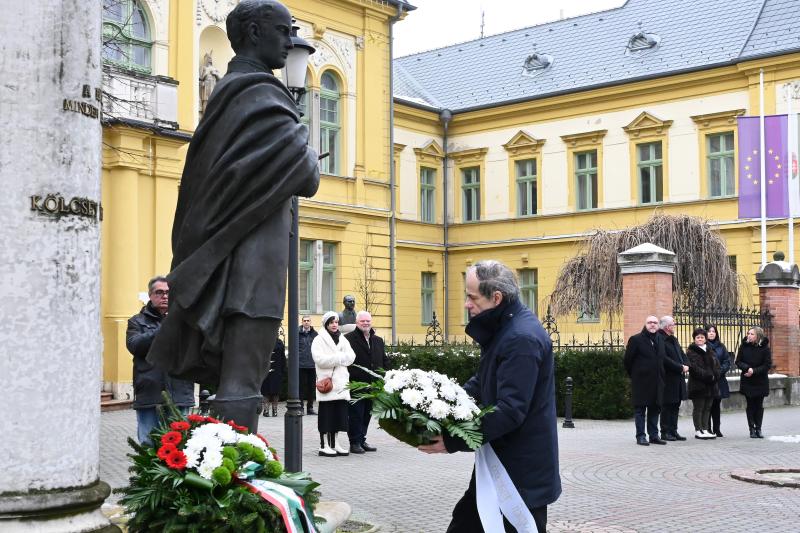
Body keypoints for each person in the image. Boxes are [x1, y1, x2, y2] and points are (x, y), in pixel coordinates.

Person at [146, 0, 320, 433]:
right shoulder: (257, 91)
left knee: (239, 377)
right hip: (253, 257)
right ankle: (239, 483)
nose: (290, 41)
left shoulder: (231, 90)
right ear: (255, 33)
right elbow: (305, 171)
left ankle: (227, 473)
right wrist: (305, 152)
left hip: (238, 252)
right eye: (283, 31)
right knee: (244, 379)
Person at [419, 260, 561, 533]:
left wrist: (451, 440)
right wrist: (442, 404)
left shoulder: (521, 338)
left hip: (519, 476)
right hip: (499, 466)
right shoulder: (506, 329)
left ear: (496, 298)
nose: (466, 305)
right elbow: (483, 383)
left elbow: (509, 410)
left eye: (472, 297)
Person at [126, 276, 195, 445]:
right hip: (150, 393)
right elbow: (135, 345)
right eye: (159, 292)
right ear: (150, 295)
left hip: (179, 392)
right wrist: (164, 328)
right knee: (149, 444)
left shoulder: (184, 322)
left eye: (168, 293)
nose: (164, 296)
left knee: (180, 446)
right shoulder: (137, 321)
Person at [311, 312, 356, 457]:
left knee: (338, 416)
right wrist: (338, 358)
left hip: (341, 384)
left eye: (336, 322)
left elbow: (351, 357)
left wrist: (339, 358)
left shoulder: (342, 339)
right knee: (326, 416)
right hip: (327, 385)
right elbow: (319, 360)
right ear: (326, 324)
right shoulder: (318, 339)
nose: (334, 324)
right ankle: (323, 445)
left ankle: (335, 443)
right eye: (331, 322)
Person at [345, 310, 388, 454]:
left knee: (367, 414)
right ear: (357, 323)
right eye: (362, 321)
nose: (365, 323)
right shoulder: (348, 339)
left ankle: (362, 439)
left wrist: (387, 376)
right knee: (356, 414)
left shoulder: (378, 340)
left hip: (374, 385)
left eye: (368, 321)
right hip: (356, 383)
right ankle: (354, 442)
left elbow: (383, 360)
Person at [624, 316, 666, 446]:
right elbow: (627, 361)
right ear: (645, 324)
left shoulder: (660, 339)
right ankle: (641, 436)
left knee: (655, 409)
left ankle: (654, 435)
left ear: (658, 325)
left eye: (655, 323)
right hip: (641, 382)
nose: (652, 325)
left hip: (657, 381)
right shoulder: (636, 339)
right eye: (649, 322)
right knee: (640, 410)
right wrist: (636, 375)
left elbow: (662, 359)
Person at [736, 326, 772, 438]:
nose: (749, 335)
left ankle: (759, 429)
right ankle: (751, 429)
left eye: (752, 334)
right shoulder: (743, 346)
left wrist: (754, 371)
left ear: (758, 336)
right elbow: (738, 361)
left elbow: (767, 365)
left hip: (760, 380)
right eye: (748, 333)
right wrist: (747, 368)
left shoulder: (765, 348)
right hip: (747, 380)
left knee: (759, 405)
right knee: (750, 405)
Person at [657, 316, 689, 441]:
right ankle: (665, 432)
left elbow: (681, 353)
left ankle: (673, 430)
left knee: (676, 404)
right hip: (668, 378)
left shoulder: (673, 339)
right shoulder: (660, 339)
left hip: (678, 377)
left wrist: (686, 364)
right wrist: (680, 367)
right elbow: (664, 358)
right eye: (673, 324)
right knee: (667, 406)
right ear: (667, 327)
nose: (674, 326)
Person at [686, 328, 720, 440]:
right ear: (694, 339)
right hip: (698, 385)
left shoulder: (710, 350)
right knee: (699, 408)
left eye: (702, 337)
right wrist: (709, 376)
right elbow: (694, 368)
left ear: (705, 339)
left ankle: (705, 429)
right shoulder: (691, 351)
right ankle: (698, 430)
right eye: (698, 337)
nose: (700, 339)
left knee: (707, 407)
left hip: (711, 385)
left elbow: (716, 364)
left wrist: (716, 375)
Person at [705, 324, 730, 437]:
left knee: (716, 406)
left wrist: (719, 372)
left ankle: (717, 429)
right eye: (709, 331)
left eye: (713, 331)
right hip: (708, 380)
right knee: (707, 406)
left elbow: (727, 361)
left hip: (719, 380)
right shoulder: (703, 346)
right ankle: (707, 429)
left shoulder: (721, 346)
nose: (711, 333)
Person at [260, 337, 286, 417]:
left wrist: (282, 369)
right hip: (265, 369)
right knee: (265, 391)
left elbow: (283, 357)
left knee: (276, 391)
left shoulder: (279, 342)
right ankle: (266, 410)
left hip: (277, 370)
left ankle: (275, 410)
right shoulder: (263, 341)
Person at [298, 315, 318, 415]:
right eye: (304, 321)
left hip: (312, 365)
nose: (306, 322)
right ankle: (300, 407)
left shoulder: (315, 334)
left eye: (308, 321)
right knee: (300, 388)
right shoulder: (297, 333)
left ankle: (310, 408)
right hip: (300, 365)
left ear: (310, 322)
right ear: (302, 322)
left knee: (311, 388)